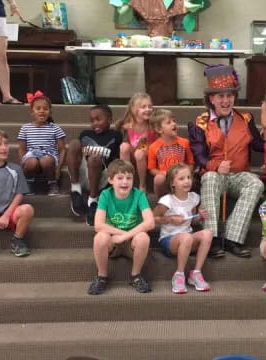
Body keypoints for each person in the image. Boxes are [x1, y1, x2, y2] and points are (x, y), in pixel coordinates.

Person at [188, 64, 264, 258]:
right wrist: (214, 166)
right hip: (214, 175)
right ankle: (211, 238)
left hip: (239, 173)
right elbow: (199, 155)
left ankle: (232, 238)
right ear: (211, 99)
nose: (226, 100)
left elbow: (257, 145)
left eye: (229, 95)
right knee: (211, 178)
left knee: (255, 184)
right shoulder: (200, 123)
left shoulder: (245, 118)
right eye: (220, 96)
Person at [88, 159, 154, 295]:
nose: (125, 182)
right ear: (111, 180)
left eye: (129, 178)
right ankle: (101, 276)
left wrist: (125, 236)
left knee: (143, 237)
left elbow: (150, 223)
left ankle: (135, 276)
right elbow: (98, 225)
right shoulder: (106, 195)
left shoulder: (139, 195)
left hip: (132, 242)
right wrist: (120, 233)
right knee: (100, 237)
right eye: (120, 178)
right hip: (113, 242)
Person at [153, 163, 212, 294]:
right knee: (186, 238)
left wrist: (200, 217)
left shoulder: (194, 198)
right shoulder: (167, 201)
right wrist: (171, 219)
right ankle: (179, 275)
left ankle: (196, 273)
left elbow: (192, 219)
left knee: (207, 233)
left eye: (188, 177)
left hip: (187, 238)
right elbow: (151, 219)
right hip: (169, 240)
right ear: (172, 183)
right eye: (181, 179)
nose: (186, 181)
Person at [0, 127, 34, 257]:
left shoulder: (15, 170)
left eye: (6, 144)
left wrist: (5, 216)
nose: (4, 148)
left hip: (9, 215)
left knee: (27, 209)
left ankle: (18, 240)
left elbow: (19, 194)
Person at [67, 104, 122, 226]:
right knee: (74, 144)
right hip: (84, 173)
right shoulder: (85, 134)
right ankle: (75, 189)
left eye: (98, 119)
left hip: (101, 176)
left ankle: (93, 201)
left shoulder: (116, 135)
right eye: (92, 121)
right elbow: (76, 153)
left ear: (109, 120)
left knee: (94, 159)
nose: (95, 123)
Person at [17, 91, 66, 196]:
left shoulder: (55, 128)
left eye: (45, 108)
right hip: (31, 155)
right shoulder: (25, 128)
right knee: (31, 162)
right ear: (32, 111)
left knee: (46, 161)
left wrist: (58, 168)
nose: (42, 111)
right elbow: (21, 149)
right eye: (38, 108)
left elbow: (62, 149)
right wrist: (23, 163)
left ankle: (53, 184)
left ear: (50, 112)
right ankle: (29, 183)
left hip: (49, 155)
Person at [148, 109, 194, 199]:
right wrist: (162, 173)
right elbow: (152, 168)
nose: (173, 124)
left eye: (174, 121)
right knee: (158, 179)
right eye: (169, 122)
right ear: (159, 129)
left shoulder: (185, 142)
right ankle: (159, 201)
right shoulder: (153, 147)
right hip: (166, 178)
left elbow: (191, 163)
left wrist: (185, 172)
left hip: (181, 176)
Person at [117, 92, 157, 191]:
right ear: (134, 110)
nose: (148, 109)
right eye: (143, 107)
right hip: (134, 154)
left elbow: (148, 146)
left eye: (149, 106)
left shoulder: (151, 124)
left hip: (148, 155)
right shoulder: (128, 125)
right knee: (124, 146)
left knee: (139, 151)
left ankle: (142, 185)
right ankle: (126, 179)